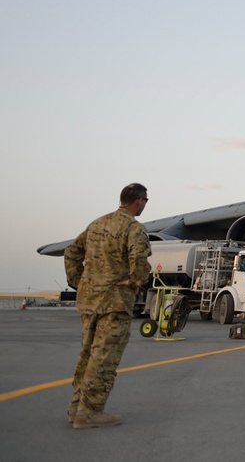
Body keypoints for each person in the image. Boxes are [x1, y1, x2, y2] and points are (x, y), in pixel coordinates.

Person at [64, 183, 152, 429]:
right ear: (138, 201)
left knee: (87, 355)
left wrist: (79, 281)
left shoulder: (97, 224)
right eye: (146, 200)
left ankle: (76, 408)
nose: (145, 204)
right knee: (104, 358)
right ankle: (89, 413)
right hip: (114, 301)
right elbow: (139, 259)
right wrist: (135, 282)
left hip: (90, 300)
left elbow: (71, 252)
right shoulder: (133, 228)